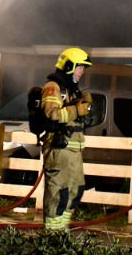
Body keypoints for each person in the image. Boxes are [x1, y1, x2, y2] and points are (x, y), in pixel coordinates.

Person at [40, 46, 93, 232]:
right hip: (59, 150)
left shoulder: (73, 91)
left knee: (76, 192)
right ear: (69, 66)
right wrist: (76, 110)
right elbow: (51, 114)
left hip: (74, 152)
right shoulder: (53, 88)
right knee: (59, 195)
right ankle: (53, 236)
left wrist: (83, 107)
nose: (82, 72)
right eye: (79, 67)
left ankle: (62, 232)